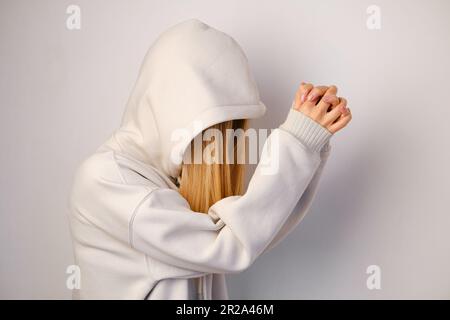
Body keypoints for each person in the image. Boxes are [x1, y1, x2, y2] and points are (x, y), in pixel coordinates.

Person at [68, 18, 352, 300]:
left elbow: (255, 232)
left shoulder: (166, 179)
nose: (224, 147)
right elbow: (228, 244)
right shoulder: (106, 179)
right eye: (216, 130)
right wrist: (299, 140)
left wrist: (310, 141)